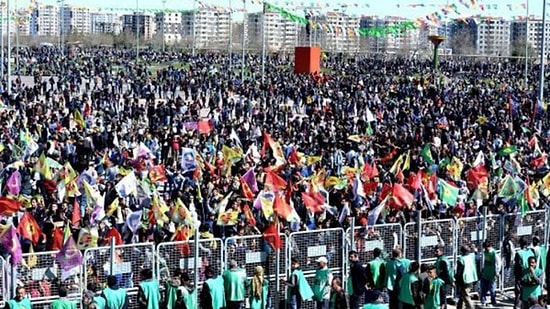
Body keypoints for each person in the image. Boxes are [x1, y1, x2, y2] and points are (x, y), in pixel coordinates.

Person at [515, 237, 536, 309]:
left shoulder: (519, 253)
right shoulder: (531, 251)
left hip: (521, 275)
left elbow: (517, 266)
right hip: (531, 273)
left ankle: (517, 307)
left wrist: (517, 275)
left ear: (520, 244)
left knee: (519, 292)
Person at [455, 245, 477, 309]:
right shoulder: (471, 257)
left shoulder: (461, 259)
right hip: (472, 278)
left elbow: (459, 272)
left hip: (465, 280)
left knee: (465, 296)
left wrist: (456, 280)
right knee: (462, 296)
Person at [480, 241, 500, 307]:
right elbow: (482, 262)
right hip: (485, 273)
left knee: (492, 289)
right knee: (483, 288)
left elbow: (498, 263)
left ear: (489, 247)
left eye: (486, 248)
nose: (485, 249)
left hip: (492, 274)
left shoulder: (494, 253)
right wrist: (481, 269)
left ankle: (493, 301)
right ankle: (483, 301)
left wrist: (497, 272)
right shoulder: (484, 252)